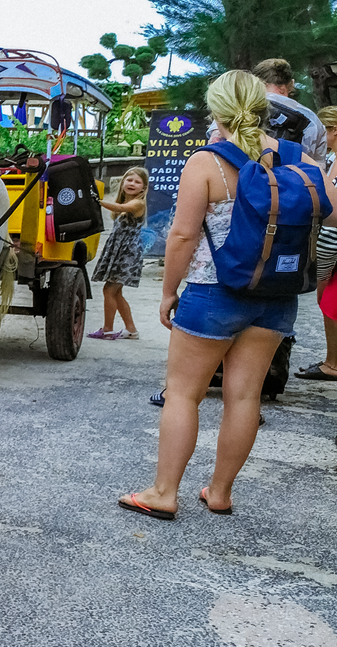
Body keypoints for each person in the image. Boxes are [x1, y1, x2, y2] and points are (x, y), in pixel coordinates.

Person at [122, 72, 337, 519]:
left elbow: (181, 236)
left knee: (183, 393)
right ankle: (219, 492)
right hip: (277, 294)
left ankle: (164, 493)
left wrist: (167, 292)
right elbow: (331, 214)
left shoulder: (209, 162)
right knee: (244, 397)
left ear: (215, 110)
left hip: (213, 291)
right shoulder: (299, 158)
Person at [294, 105, 337, 381]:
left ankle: (332, 364)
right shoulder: (332, 158)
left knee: (328, 301)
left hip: (332, 242)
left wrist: (322, 267)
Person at [89, 166, 150, 340]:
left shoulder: (137, 203)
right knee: (115, 292)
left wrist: (97, 201)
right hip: (120, 250)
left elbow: (118, 206)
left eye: (137, 182)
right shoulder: (125, 204)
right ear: (123, 182)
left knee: (109, 290)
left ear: (143, 188)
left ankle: (108, 329)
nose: (132, 184)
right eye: (129, 180)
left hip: (127, 252)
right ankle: (131, 330)